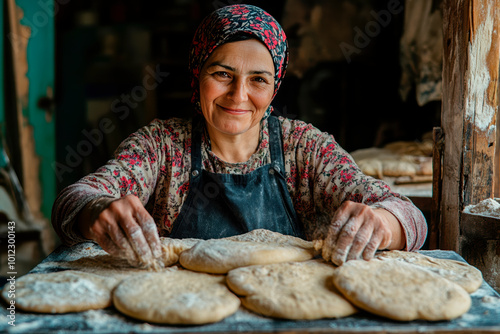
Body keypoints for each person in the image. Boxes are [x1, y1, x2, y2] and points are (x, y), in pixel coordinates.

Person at [51, 4, 427, 267]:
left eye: (258, 80)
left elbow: (410, 216)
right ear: (197, 75)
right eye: (222, 74)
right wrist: (96, 211)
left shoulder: (305, 149)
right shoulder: (161, 147)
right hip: (184, 315)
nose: (238, 95)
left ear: (275, 87)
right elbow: (73, 200)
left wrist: (382, 223)